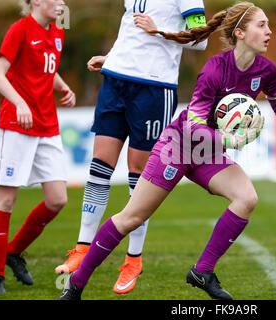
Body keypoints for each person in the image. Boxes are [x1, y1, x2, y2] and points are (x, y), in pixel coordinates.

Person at [60, 1, 276, 300]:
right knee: (130, 218)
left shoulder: (267, 70)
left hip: (206, 153)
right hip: (178, 146)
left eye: (267, 25)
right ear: (240, 33)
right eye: (261, 25)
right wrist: (227, 141)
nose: (269, 31)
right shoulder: (215, 68)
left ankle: (203, 271)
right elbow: (195, 124)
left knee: (246, 197)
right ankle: (77, 284)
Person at [55, 0, 208, 295]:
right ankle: (83, 247)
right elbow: (130, 27)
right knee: (100, 164)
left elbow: (201, 38)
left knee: (139, 172)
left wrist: (159, 30)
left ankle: (133, 259)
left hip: (154, 88)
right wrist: (112, 58)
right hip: (115, 79)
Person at [0, 0, 76, 294]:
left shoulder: (57, 31)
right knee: (6, 201)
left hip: (47, 125)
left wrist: (62, 86)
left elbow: (46, 70)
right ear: (36, 1)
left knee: (57, 200)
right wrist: (20, 103)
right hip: (17, 125)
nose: (63, 4)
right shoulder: (19, 29)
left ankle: (14, 251)